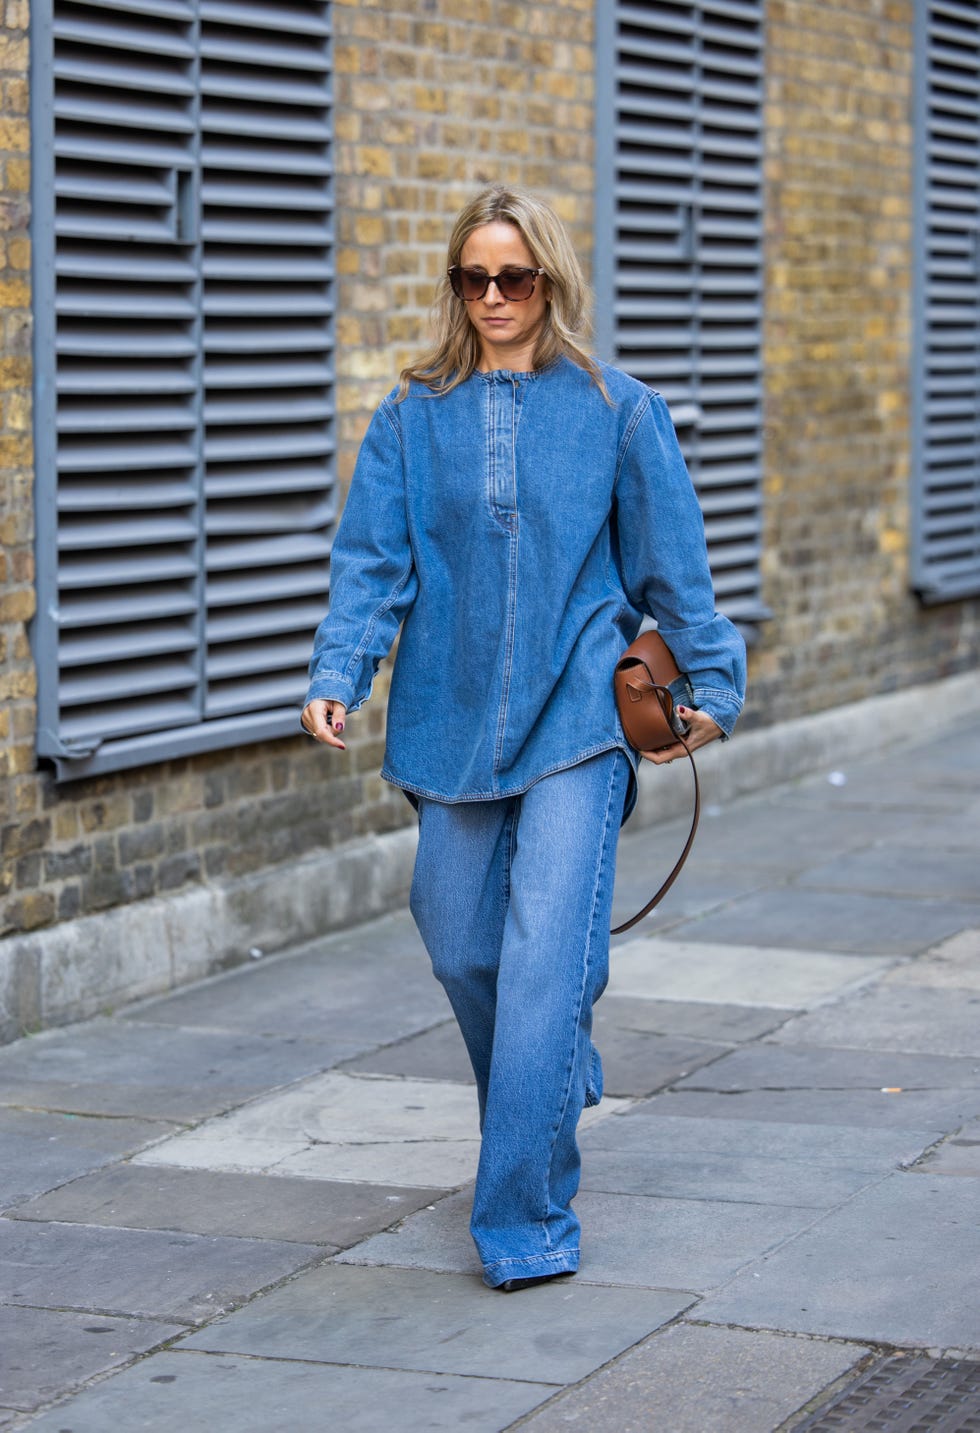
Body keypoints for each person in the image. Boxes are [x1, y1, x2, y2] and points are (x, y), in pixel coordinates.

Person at [302, 185, 746, 1292]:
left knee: (548, 955)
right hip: (447, 719)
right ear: (455, 286)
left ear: (550, 279)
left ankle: (524, 1218)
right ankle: (550, 1069)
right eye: (473, 278)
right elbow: (372, 562)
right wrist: (337, 672)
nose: (493, 297)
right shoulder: (411, 414)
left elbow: (671, 567)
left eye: (515, 277)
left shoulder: (617, 408)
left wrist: (716, 681)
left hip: (575, 722)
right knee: (457, 937)